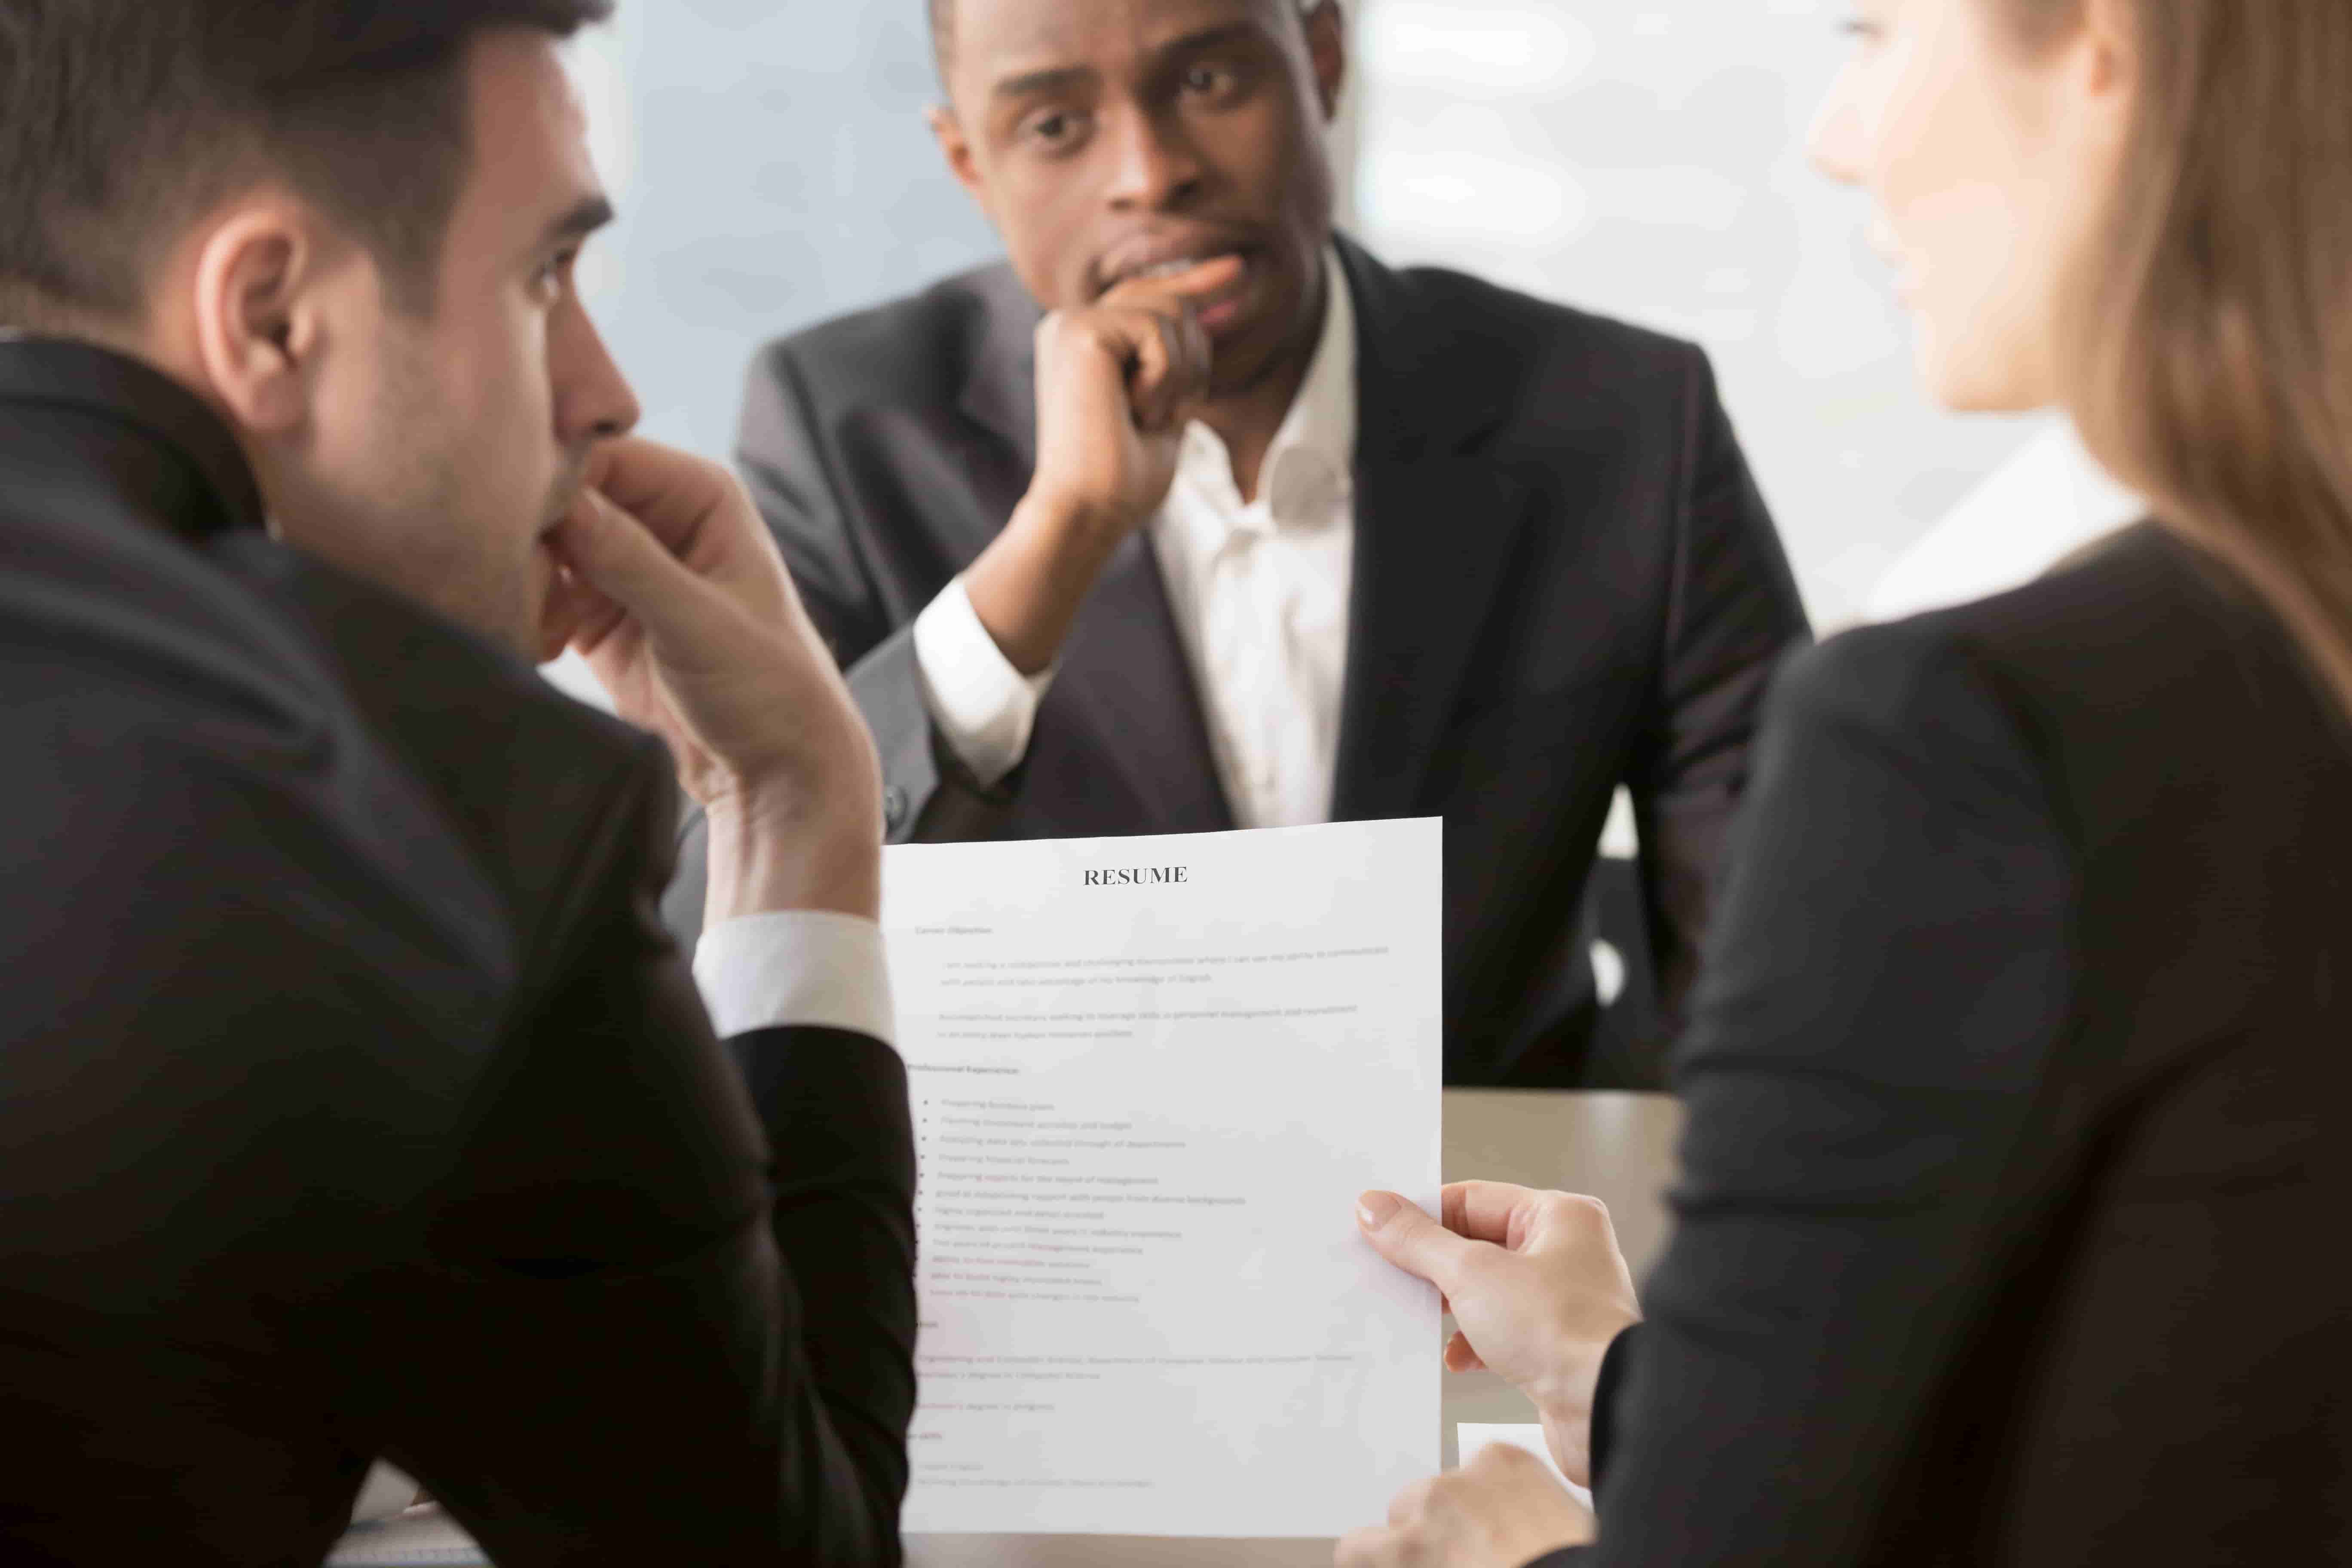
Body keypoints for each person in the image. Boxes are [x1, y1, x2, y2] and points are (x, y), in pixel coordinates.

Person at [1340, 0, 2352, 1562]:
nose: (1837, 137)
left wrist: (1514, 1554)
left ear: (2102, 45)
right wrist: (1619, 1378)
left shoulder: (1961, 733)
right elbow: (2165, 1406)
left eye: (1875, 34)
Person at [0, 4, 918, 1562]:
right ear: (275, 314)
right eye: (545, 275)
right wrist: (799, 805)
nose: (607, 393)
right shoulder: (446, 823)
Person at [673, 0, 1814, 1087]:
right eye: (1055, 125)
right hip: (1043, 1240)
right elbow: (711, 925)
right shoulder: (841, 423)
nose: (1151, 173)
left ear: (1322, 59)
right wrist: (1054, 545)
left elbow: (1784, 975)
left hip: (1496, 1225)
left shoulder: (1624, 421)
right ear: (971, 162)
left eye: (1210, 79)